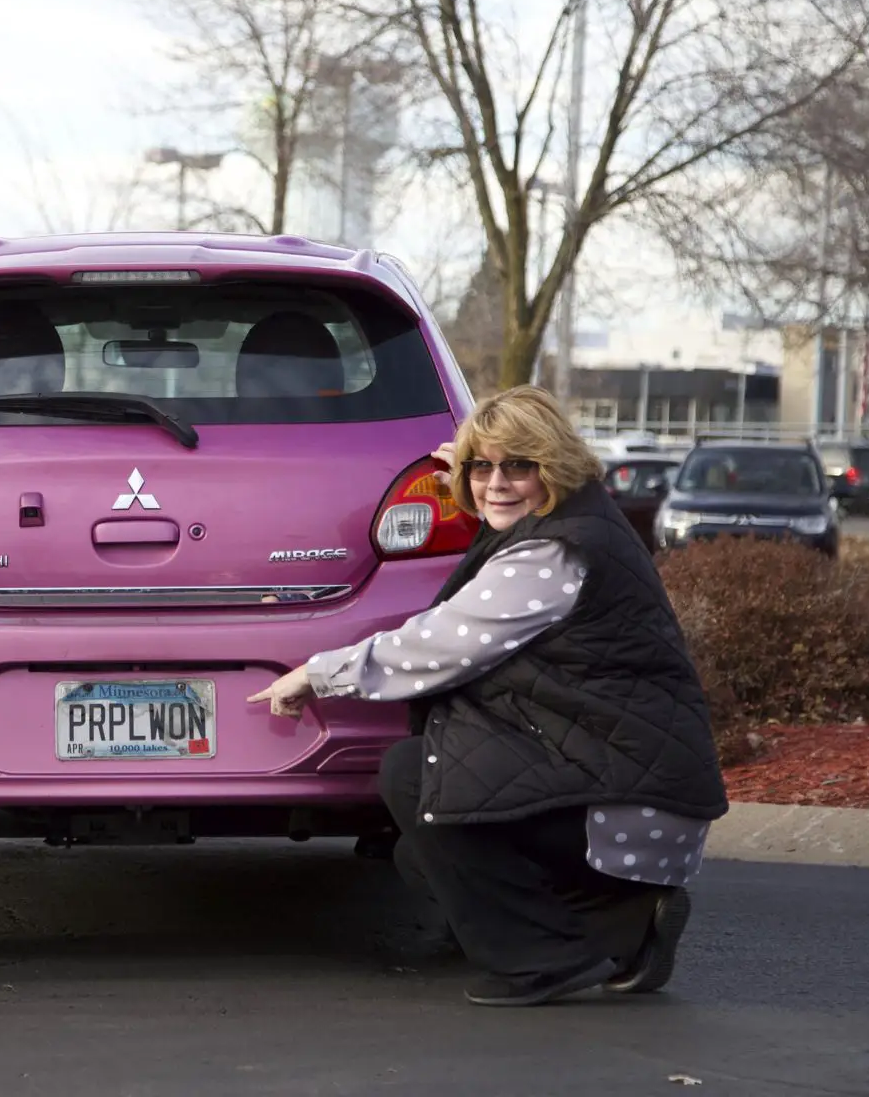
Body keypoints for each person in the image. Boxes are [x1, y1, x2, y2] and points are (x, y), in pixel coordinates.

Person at [248, 386, 728, 1008]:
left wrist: (315, 673)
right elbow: (503, 532)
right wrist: (475, 474)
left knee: (417, 780)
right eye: (481, 467)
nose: (494, 483)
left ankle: (545, 961)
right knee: (421, 855)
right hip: (627, 787)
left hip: (627, 802)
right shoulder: (577, 520)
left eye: (518, 466)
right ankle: (629, 921)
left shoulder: (555, 552)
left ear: (553, 467)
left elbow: (438, 645)